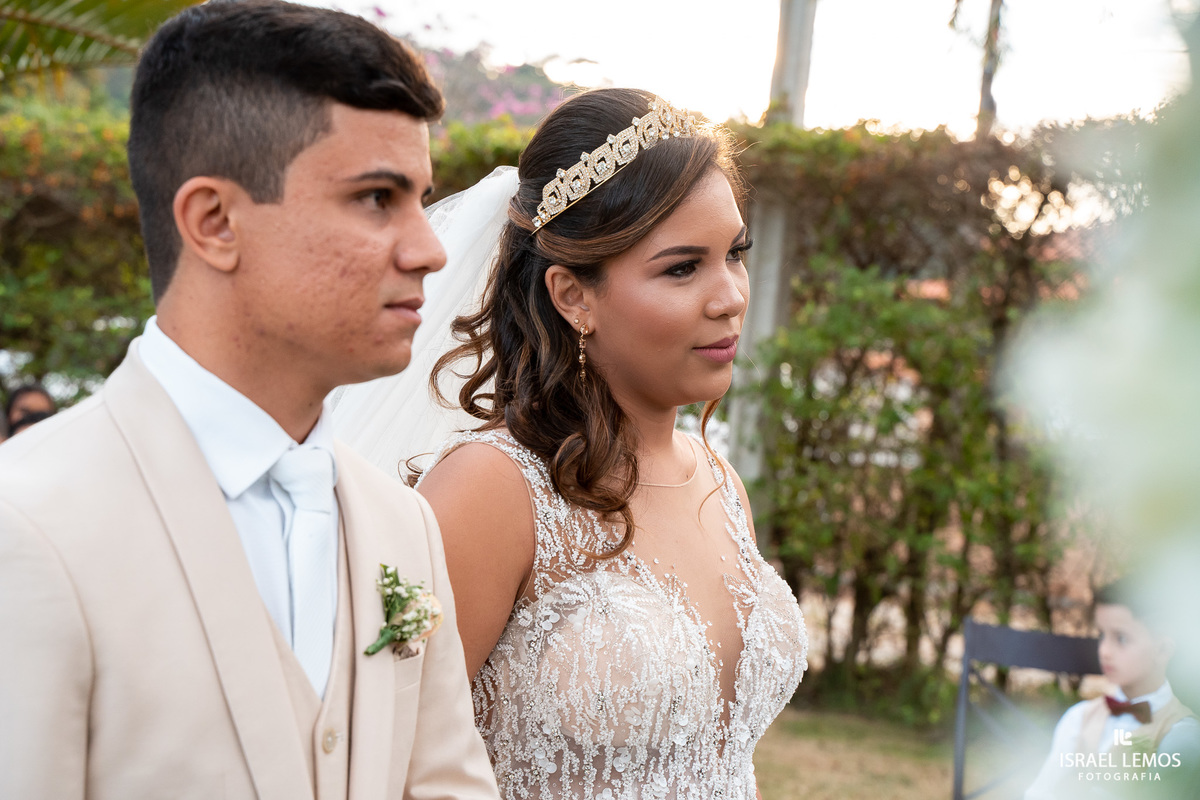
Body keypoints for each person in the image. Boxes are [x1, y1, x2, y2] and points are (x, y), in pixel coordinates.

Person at [0, 3, 499, 799]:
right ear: (215, 223)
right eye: (377, 198)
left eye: (421, 198)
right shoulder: (27, 524)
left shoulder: (401, 523)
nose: (430, 249)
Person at [335, 87, 809, 799]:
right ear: (573, 296)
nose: (730, 297)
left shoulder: (720, 482)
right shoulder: (493, 490)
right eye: (682, 267)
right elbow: (378, 764)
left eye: (734, 254)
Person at [1025, 579, 1200, 799]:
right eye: (1102, 636)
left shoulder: (1182, 736)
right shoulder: (1079, 717)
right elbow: (1039, 792)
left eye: (1121, 638)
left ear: (1162, 650)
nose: (1104, 651)